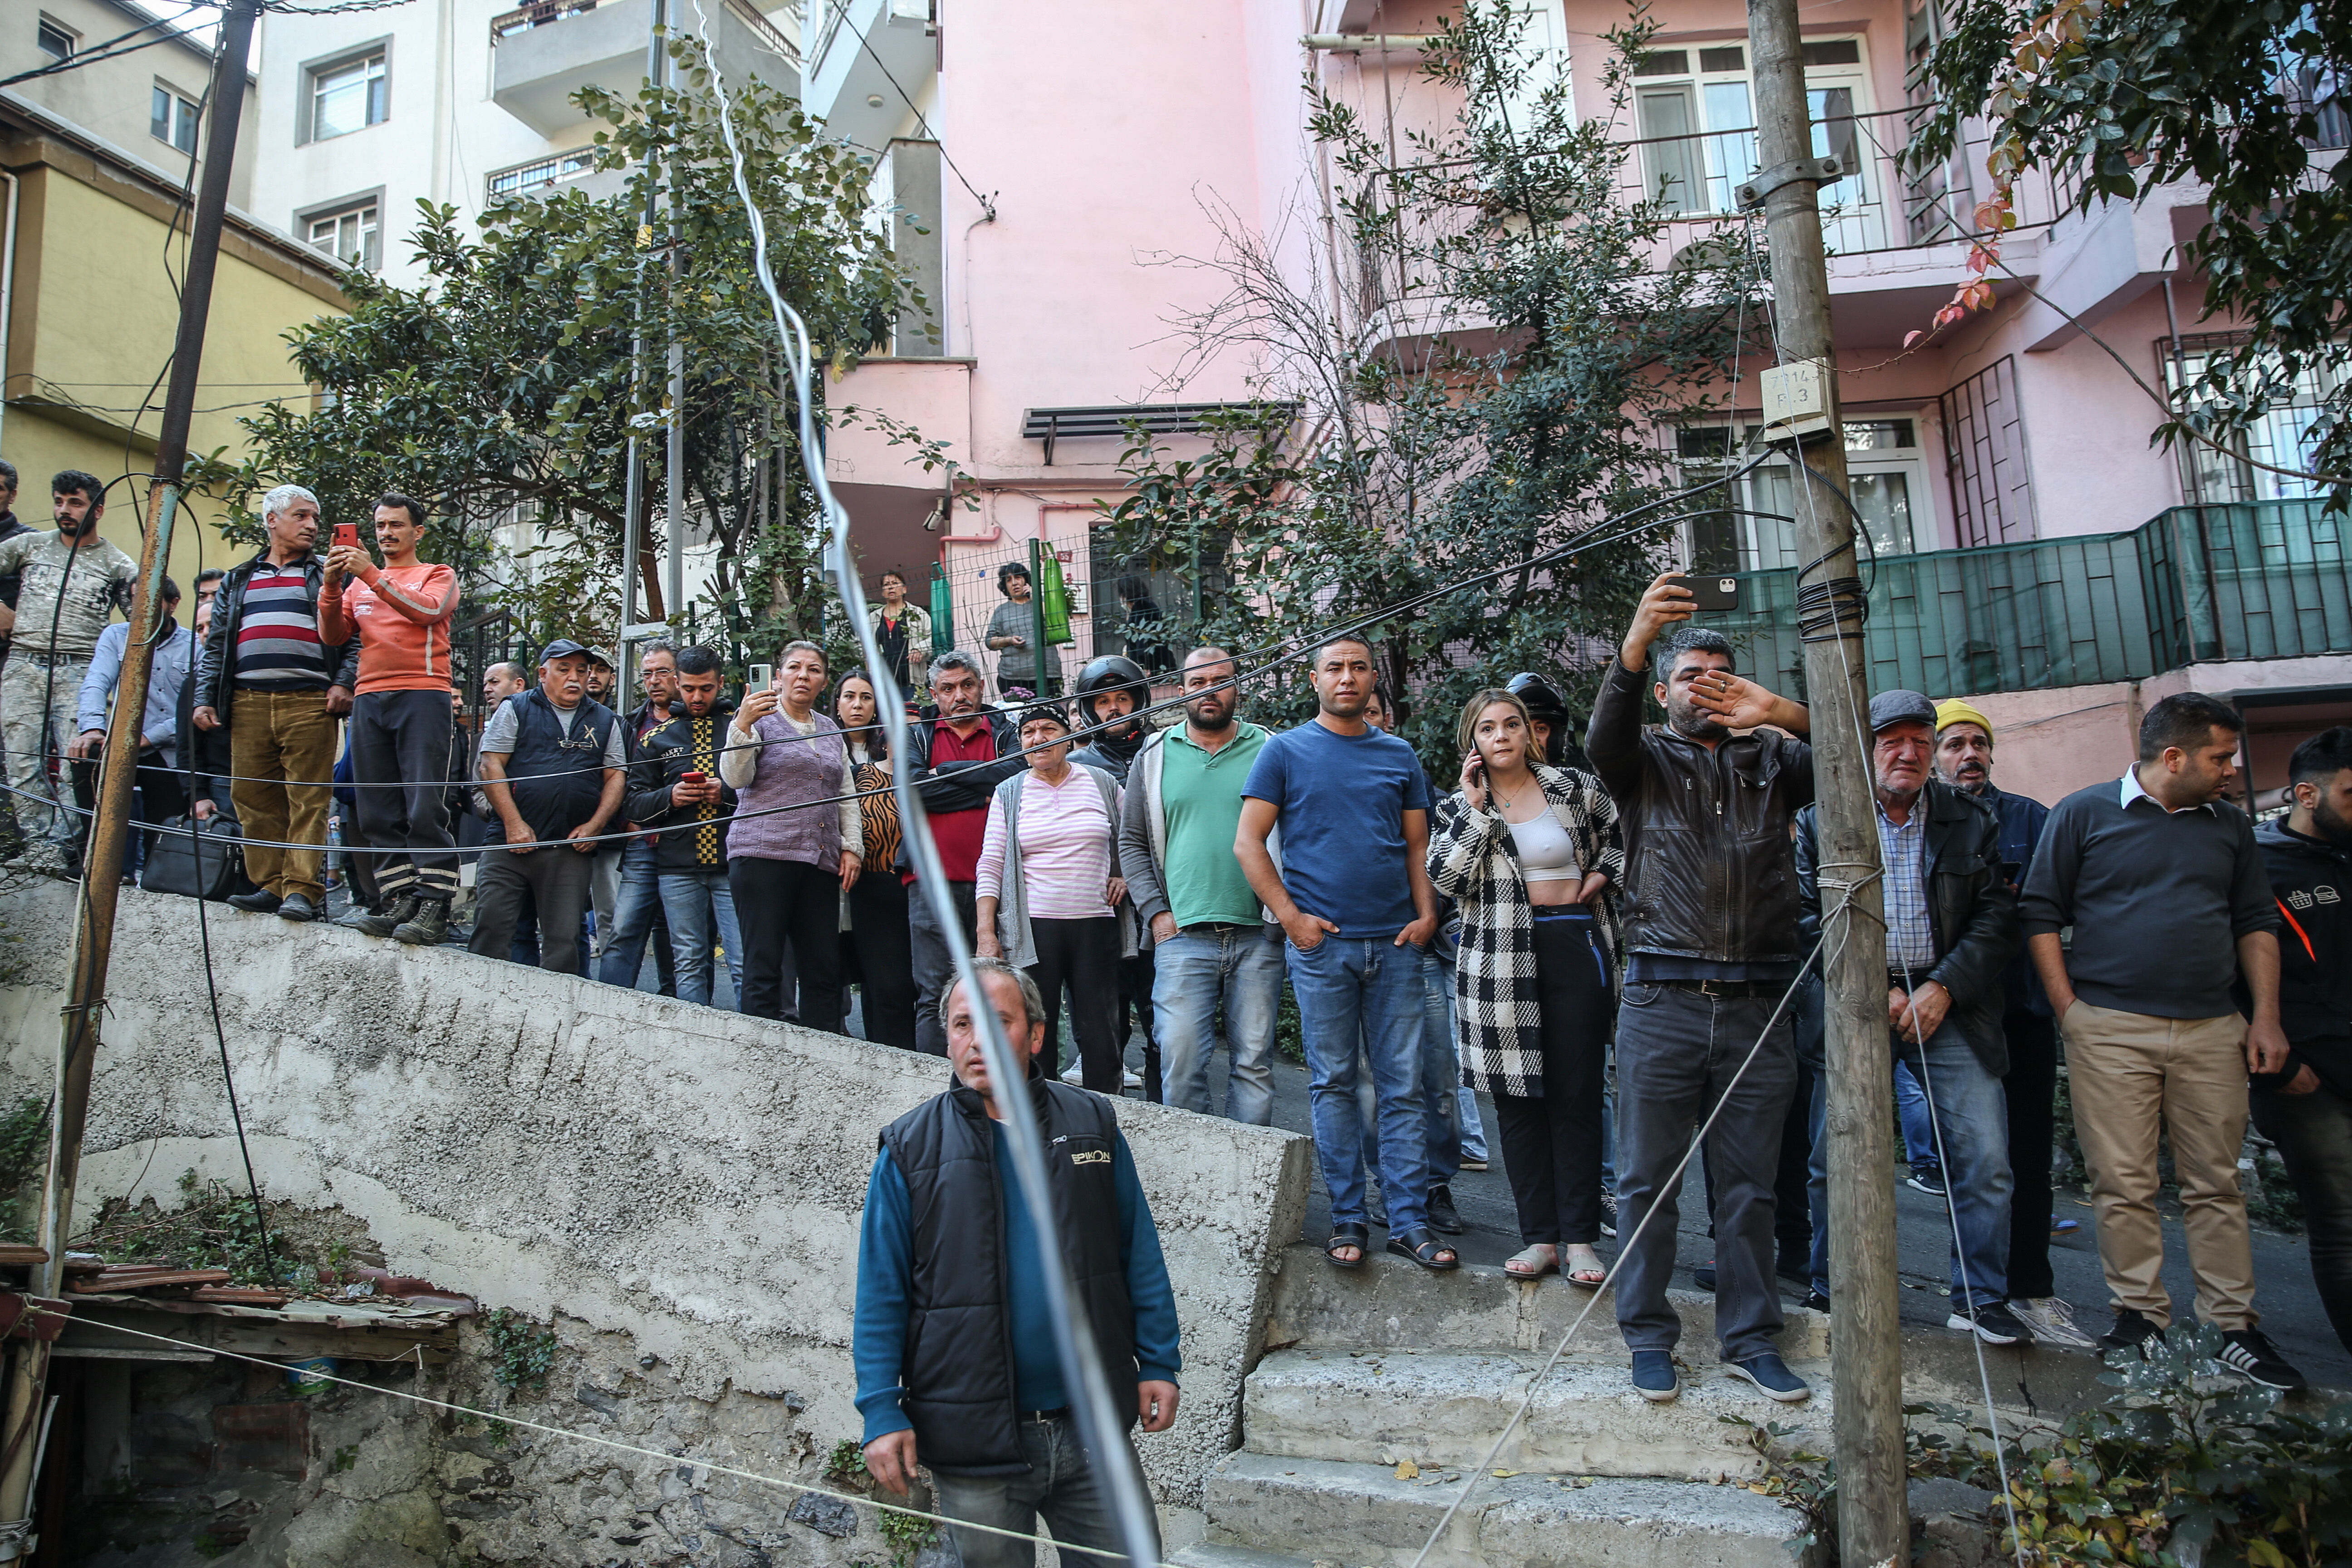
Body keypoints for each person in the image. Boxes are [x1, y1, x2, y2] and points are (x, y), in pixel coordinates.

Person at [855, 957, 1180, 1568]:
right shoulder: (909, 1149)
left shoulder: (1092, 1125)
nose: (976, 1041)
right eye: (962, 1025)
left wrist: (1159, 1361)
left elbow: (1137, 1251)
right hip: (974, 1442)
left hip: (1094, 1432)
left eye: (996, 1022)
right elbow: (881, 1292)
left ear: (1034, 1035)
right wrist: (880, 1408)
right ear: (947, 1038)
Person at [2022, 693, 2304, 1389]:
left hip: (2213, 1026)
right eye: (2220, 757)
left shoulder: (2229, 825)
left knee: (2217, 1184)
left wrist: (2266, 1017)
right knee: (2123, 1182)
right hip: (2110, 1028)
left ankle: (2232, 1328)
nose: (2232, 770)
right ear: (2173, 757)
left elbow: (2256, 921)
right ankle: (2140, 1318)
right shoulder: (2083, 813)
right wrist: (2070, 1012)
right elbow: (2041, 912)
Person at [1586, 573, 1814, 1405]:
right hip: (1662, 998)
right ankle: (1648, 1337)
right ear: (1664, 693)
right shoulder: (1642, 761)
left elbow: (1857, 762)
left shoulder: (1777, 760)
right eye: (1690, 677)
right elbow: (1603, 737)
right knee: (1646, 1182)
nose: (1707, 688)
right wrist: (1635, 645)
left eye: (1721, 676)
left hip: (1758, 1005)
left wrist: (1781, 712)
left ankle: (1750, 1339)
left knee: (1751, 1188)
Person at [1796, 691, 2026, 1343]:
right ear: (1865, 750)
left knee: (1984, 1158)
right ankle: (1833, 1285)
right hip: (1856, 1003)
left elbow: (1997, 916)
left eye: (1921, 741)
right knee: (1835, 1155)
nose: (1908, 753)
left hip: (1950, 1004)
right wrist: (1878, 987)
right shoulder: (1822, 819)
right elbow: (1804, 919)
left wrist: (1944, 986)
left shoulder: (1970, 818)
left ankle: (1980, 1298)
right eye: (1892, 741)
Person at [1238, 636, 1449, 1272]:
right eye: (1335, 667)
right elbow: (1248, 843)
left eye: (1359, 667)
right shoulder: (1283, 751)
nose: (1348, 677)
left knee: (1403, 1087)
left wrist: (1427, 917)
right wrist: (1292, 919)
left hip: (1398, 947)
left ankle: (1408, 1221)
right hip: (1323, 949)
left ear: (1373, 679)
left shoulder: (1398, 754)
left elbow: (1418, 847)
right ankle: (1348, 1217)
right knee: (1332, 1083)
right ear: (1315, 680)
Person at [1430, 687, 1622, 1285]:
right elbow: (1446, 879)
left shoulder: (1574, 787)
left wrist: (1597, 879)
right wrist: (1476, 810)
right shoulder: (1457, 807)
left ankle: (1581, 1241)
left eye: (1512, 724)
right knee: (1517, 1102)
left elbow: (1624, 840)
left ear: (1530, 732)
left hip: (1574, 943)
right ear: (1473, 742)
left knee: (1577, 1097)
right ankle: (1540, 1238)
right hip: (1498, 960)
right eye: (1488, 728)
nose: (1503, 736)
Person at [1932, 698, 2094, 1349]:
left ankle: (2029, 1290)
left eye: (1978, 743)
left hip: (2021, 1012)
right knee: (1968, 1160)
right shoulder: (1919, 823)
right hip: (1948, 1013)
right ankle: (1974, 1293)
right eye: (1954, 744)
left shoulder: (2032, 820)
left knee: (2024, 1157)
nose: (1969, 755)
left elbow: (2060, 910)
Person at [1120, 646, 1281, 1124]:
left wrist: (1286, 913)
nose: (1209, 691)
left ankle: (1250, 1170)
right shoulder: (1154, 756)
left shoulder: (1271, 748)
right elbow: (1131, 842)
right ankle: (1200, 1168)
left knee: (1254, 1065)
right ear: (1181, 690)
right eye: (1198, 682)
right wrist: (1156, 913)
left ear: (1238, 687)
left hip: (1259, 934)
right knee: (1181, 1061)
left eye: (1221, 681)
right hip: (1182, 935)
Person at [191, 483, 358, 922]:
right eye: (301, 516)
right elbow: (218, 643)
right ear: (272, 520)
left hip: (310, 701)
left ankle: (302, 890)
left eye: (315, 518)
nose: (312, 525)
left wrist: (344, 682)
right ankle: (270, 885)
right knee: (252, 796)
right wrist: (205, 698)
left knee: (309, 798)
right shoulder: (238, 578)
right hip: (247, 701)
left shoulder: (329, 574)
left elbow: (355, 635)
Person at [2249, 725, 2352, 1357]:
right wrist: (2279, 1069)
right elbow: (2228, 973)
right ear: (2308, 795)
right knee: (2342, 1221)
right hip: (2305, 1076)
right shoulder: (2256, 862)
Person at [320, 492, 462, 945]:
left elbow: (427, 611)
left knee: (424, 804)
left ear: (418, 532)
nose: (386, 533)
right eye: (380, 525)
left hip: (423, 693)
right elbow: (333, 636)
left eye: (396, 524)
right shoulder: (357, 584)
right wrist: (331, 586)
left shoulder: (437, 574)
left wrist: (369, 573)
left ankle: (435, 904)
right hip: (368, 696)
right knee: (376, 807)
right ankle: (398, 898)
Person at [976, 702, 1133, 1093]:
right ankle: (1039, 1112)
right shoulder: (1010, 792)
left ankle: (1103, 1113)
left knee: (1102, 1032)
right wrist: (986, 932)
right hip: (1035, 930)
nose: (1038, 739)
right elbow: (991, 863)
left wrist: (1125, 875)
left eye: (1048, 729)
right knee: (1034, 1031)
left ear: (1067, 736)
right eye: (1029, 732)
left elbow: (1135, 836)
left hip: (1096, 924)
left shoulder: (1101, 782)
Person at [0, 470, 139, 862]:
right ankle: (37, 845)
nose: (65, 510)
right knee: (21, 760)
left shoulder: (117, 564)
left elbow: (142, 623)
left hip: (80, 668)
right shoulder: (29, 545)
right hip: (23, 663)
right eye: (59, 502)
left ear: (98, 509)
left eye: (76, 503)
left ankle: (64, 848)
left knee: (74, 762)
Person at [721, 640, 861, 1029]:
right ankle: (760, 1051)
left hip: (819, 862)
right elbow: (735, 778)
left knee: (824, 970)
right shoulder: (759, 719)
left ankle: (822, 1049)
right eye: (795, 667)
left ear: (824, 682)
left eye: (814, 670)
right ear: (779, 676)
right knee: (764, 966)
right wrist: (742, 725)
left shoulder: (831, 729)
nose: (803, 676)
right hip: (761, 857)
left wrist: (852, 847)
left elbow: (846, 793)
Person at [467, 640, 626, 973]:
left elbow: (615, 776)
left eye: (581, 671)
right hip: (508, 843)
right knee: (491, 929)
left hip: (569, 848)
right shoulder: (516, 708)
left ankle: (557, 1007)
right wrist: (513, 823)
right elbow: (490, 765)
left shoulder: (605, 719)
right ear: (543, 674)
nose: (575, 678)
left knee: (565, 941)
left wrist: (596, 826)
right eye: (564, 670)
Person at [905, 651, 1028, 1055]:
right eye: (948, 688)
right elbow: (914, 792)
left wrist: (945, 772)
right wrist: (983, 791)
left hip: (998, 885)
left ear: (981, 686)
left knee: (999, 993)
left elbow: (1016, 779)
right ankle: (933, 1084)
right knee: (934, 993)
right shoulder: (917, 735)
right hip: (930, 882)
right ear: (934, 694)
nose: (959, 696)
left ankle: (994, 1079)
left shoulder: (1005, 732)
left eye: (967, 685)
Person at [623, 646, 745, 1009]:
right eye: (689, 688)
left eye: (706, 689)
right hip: (676, 866)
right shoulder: (656, 738)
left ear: (720, 683)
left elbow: (766, 791)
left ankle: (752, 1035)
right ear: (677, 683)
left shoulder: (740, 730)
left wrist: (725, 793)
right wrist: (671, 797)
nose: (697, 697)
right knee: (688, 963)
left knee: (743, 960)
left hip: (733, 863)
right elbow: (633, 804)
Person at [1071, 653, 1156, 1096]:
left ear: (1139, 701)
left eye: (1122, 698)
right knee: (1108, 1015)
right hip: (1104, 909)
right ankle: (1104, 1105)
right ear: (1089, 709)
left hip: (1160, 906)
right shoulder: (1076, 764)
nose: (1114, 709)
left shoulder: (1164, 753)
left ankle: (1167, 1106)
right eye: (1103, 702)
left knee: (1161, 1015)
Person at [66, 575, 192, 870]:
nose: (140, 608)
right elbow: (96, 682)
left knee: (160, 839)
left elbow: (195, 708)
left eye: (151, 600)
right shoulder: (115, 636)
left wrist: (147, 739)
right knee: (87, 756)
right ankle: (94, 860)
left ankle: (153, 877)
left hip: (169, 751)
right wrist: (93, 729)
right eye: (135, 600)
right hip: (120, 745)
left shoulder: (194, 645)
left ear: (173, 604)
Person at [837, 670, 917, 1049]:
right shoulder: (859, 776)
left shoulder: (927, 780)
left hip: (915, 890)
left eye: (916, 734)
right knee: (881, 984)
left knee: (916, 983)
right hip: (868, 886)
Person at [597, 642, 682, 997]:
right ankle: (608, 1007)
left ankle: (678, 1007)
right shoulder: (630, 724)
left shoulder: (699, 719)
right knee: (625, 929)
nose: (654, 680)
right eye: (647, 674)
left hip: (687, 844)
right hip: (642, 843)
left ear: (679, 675)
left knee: (681, 937)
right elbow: (615, 779)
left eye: (662, 672)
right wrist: (629, 824)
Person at [985, 561, 1058, 700]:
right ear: (1005, 585)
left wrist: (1034, 597)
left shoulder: (1042, 602)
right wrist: (1009, 640)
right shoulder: (1002, 611)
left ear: (1026, 580)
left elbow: (1053, 622)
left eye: (1018, 577)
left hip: (1048, 674)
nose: (1014, 583)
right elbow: (990, 642)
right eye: (1009, 580)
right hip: (1012, 677)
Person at [868, 569, 931, 698]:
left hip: (912, 683)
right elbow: (862, 646)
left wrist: (920, 649)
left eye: (895, 583)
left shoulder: (919, 614)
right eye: (886, 585)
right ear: (883, 592)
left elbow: (934, 639)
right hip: (882, 684)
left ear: (904, 589)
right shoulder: (873, 618)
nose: (891, 587)